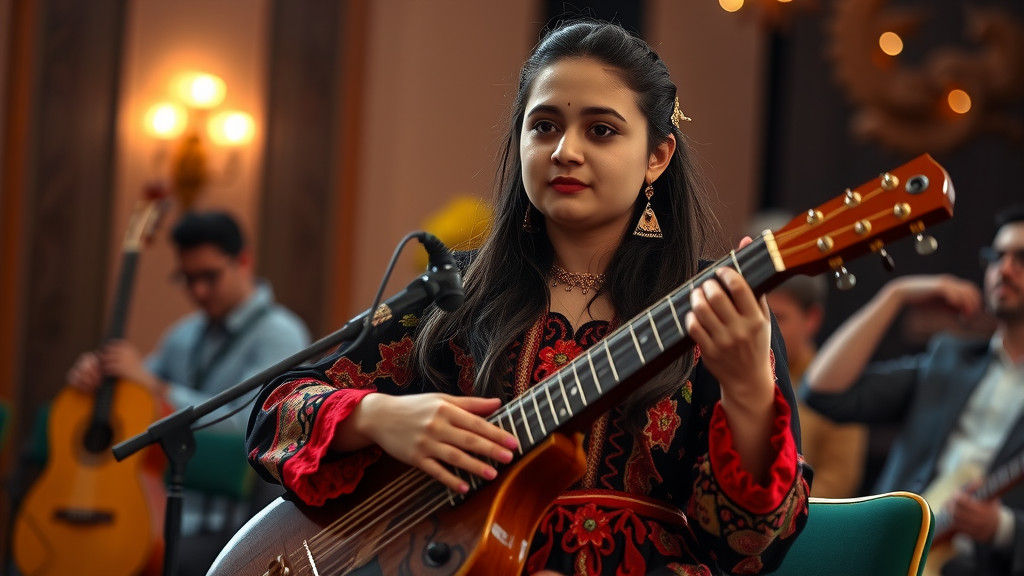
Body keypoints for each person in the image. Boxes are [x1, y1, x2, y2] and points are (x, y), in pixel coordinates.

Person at [247, 21, 809, 575]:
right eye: (544, 126)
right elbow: (274, 415)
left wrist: (749, 391)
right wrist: (378, 416)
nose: (565, 150)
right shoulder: (457, 297)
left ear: (657, 157)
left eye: (602, 131)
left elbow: (752, 548)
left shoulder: (715, 308)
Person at [67, 210, 311, 575]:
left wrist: (156, 388)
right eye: (188, 278)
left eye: (209, 276)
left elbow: (251, 422)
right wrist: (98, 378)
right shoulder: (184, 334)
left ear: (243, 261)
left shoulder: (281, 333)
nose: (198, 291)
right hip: (163, 509)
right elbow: (133, 402)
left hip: (233, 525)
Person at [803, 205, 1024, 575]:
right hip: (891, 549)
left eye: (1021, 259)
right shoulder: (950, 361)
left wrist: (1003, 529)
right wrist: (896, 294)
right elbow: (823, 390)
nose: (1004, 269)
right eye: (998, 256)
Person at [766, 276, 867, 498]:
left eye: (778, 318)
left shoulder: (835, 386)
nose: (764, 328)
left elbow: (839, 481)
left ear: (812, 318)